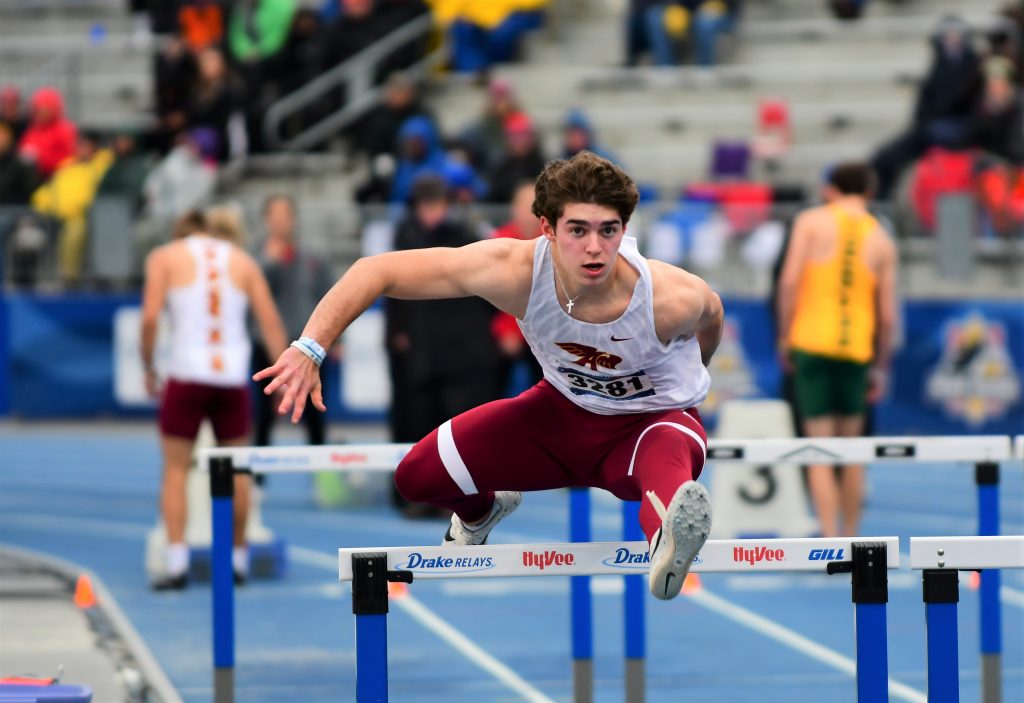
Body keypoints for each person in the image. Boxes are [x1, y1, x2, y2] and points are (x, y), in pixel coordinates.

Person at [255, 151, 722, 601]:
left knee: (670, 459)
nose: (595, 247)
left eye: (609, 230)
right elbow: (375, 271)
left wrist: (680, 388)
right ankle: (482, 510)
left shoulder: (669, 298)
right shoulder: (514, 271)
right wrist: (309, 348)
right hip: (559, 417)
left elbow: (712, 321)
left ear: (625, 230)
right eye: (578, 230)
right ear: (548, 229)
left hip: (647, 428)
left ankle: (666, 537)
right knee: (417, 478)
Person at [141, 209, 287, 590]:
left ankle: (176, 563)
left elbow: (150, 317)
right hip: (229, 376)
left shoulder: (165, 257)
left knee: (175, 469)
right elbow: (270, 321)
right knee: (237, 468)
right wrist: (284, 378)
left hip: (187, 373)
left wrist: (147, 365)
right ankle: (238, 559)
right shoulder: (243, 262)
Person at [776, 162, 898, 538]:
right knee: (853, 450)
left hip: (811, 342)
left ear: (831, 189)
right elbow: (889, 315)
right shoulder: (881, 236)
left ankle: (830, 538)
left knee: (819, 447)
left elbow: (789, 281)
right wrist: (881, 365)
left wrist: (784, 336)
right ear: (870, 191)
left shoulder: (811, 221)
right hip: (856, 350)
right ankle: (852, 536)